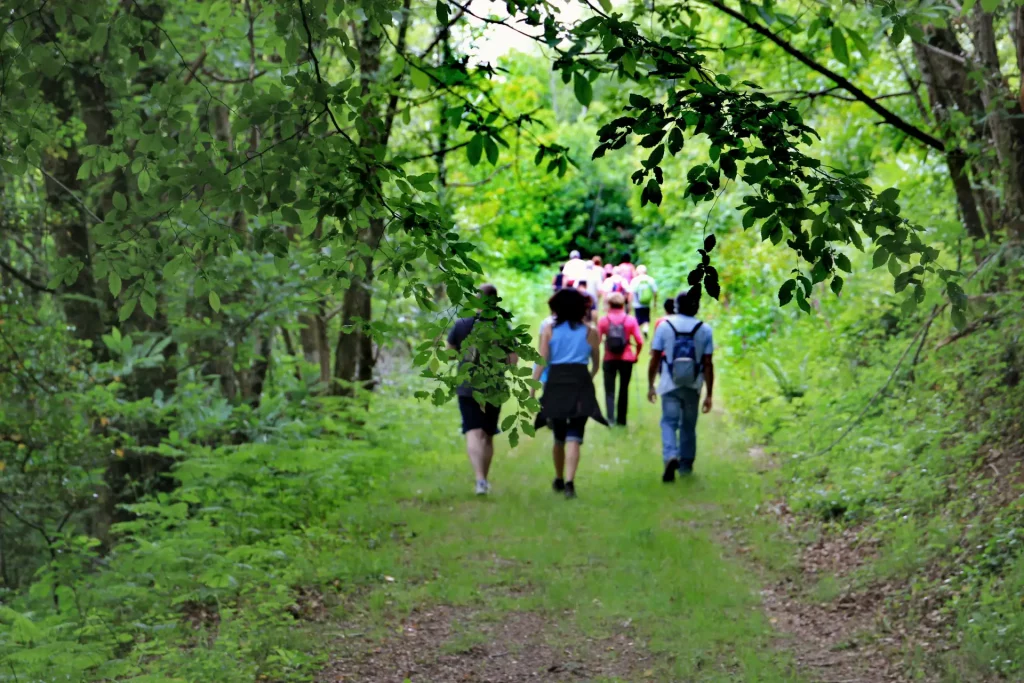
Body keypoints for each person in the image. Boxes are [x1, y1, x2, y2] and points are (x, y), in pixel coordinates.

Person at [531, 288, 606, 499]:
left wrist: (532, 389)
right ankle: (570, 482)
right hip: (580, 381)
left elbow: (542, 361)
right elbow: (596, 364)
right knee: (575, 434)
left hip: (556, 383)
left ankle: (558, 477)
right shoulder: (591, 332)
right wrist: (587, 377)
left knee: (559, 436)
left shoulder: (549, 329)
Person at [446, 284, 518, 496]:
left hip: (467, 386)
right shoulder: (502, 327)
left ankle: (480, 479)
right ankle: (483, 479)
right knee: (487, 434)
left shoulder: (461, 324)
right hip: (494, 387)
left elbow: (449, 354)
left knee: (472, 431)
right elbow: (513, 360)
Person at [647, 288, 714, 482]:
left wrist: (651, 384)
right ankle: (686, 464)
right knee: (688, 425)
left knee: (669, 422)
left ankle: (670, 455)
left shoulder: (664, 326)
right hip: (693, 384)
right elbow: (708, 363)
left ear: (676, 306)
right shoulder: (704, 329)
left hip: (669, 383)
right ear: (696, 307)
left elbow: (655, 358)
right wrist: (709, 393)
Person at [597, 292, 643, 426]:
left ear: (609, 304)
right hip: (626, 358)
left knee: (609, 389)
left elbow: (597, 340)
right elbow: (639, 341)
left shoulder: (604, 320)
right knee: (624, 389)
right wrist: (636, 355)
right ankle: (621, 420)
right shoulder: (630, 320)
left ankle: (610, 419)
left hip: (609, 358)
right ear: (623, 304)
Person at [629, 265, 658, 337]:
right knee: (646, 318)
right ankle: (645, 329)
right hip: (646, 303)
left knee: (638, 319)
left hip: (636, 304)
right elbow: (655, 292)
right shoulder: (650, 279)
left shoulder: (635, 280)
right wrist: (655, 302)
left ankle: (637, 334)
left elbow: (631, 293)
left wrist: (629, 303)